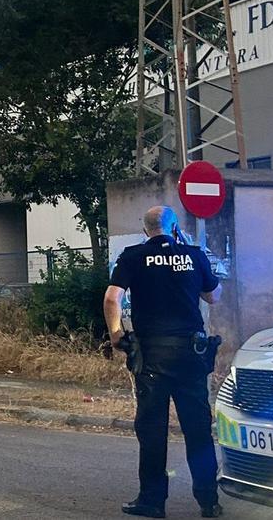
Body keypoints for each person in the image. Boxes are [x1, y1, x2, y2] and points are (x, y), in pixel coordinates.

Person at [104, 206, 222, 519]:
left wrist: (117, 335)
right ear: (174, 228)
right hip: (191, 357)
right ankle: (209, 502)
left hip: (152, 359)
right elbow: (214, 296)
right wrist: (185, 250)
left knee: (152, 431)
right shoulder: (194, 255)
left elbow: (111, 298)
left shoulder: (133, 256)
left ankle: (152, 501)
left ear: (146, 231)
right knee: (198, 430)